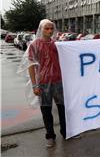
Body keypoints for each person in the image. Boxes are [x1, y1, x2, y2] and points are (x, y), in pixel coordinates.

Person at [26, 19, 66, 148]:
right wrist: (34, 85)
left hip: (58, 81)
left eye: (51, 29)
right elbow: (31, 66)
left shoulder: (57, 45)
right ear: (41, 29)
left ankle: (65, 132)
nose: (49, 31)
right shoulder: (34, 45)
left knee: (63, 109)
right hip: (43, 82)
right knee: (46, 111)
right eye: (46, 28)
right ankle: (50, 136)